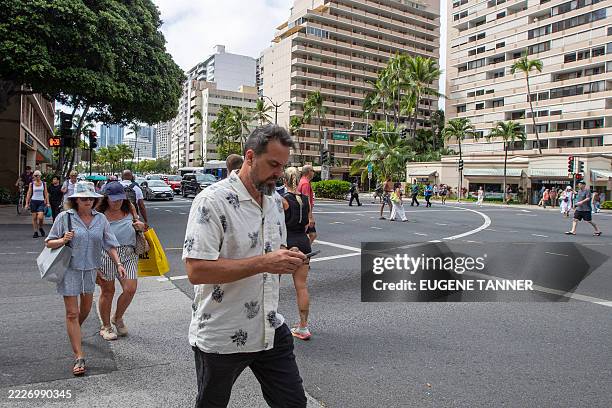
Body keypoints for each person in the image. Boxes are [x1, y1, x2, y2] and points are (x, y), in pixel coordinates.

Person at [183, 125, 308, 407]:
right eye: (273, 164)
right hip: (222, 333)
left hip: (269, 327)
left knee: (293, 403)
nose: (279, 173)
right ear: (250, 157)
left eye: (283, 166)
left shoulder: (275, 201)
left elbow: (268, 251)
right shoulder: (211, 201)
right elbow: (196, 270)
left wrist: (287, 255)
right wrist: (265, 262)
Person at [45, 181, 125, 376]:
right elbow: (48, 242)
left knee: (86, 309)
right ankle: (79, 356)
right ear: (75, 200)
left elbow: (110, 243)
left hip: (90, 270)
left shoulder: (101, 219)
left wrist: (118, 263)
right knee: (72, 313)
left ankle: (74, 331)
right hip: (70, 270)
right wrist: (63, 240)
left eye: (91, 198)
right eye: (83, 198)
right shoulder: (65, 217)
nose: (88, 201)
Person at [96, 182, 146, 341]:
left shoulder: (129, 207)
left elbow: (140, 226)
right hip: (107, 254)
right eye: (113, 199)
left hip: (129, 253)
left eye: (120, 199)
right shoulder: (99, 213)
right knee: (107, 291)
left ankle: (117, 317)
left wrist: (141, 226)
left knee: (130, 288)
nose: (117, 202)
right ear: (106, 198)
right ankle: (106, 326)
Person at [282, 167, 313, 340]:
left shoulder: (283, 200)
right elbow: (310, 225)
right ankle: (303, 327)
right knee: (301, 286)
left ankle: (269, 322)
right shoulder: (306, 200)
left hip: (287, 245)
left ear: (284, 181)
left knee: (272, 285)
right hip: (304, 243)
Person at [25, 170, 49, 238]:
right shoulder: (31, 184)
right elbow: (29, 193)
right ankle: (35, 232)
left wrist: (48, 202)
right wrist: (26, 203)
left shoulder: (44, 184)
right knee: (34, 218)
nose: (36, 177)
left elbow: (46, 193)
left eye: (38, 175)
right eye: (35, 175)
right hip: (33, 201)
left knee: (40, 217)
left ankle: (40, 227)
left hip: (41, 202)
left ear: (40, 176)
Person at [297, 164, 316, 243]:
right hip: (305, 214)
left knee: (311, 234)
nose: (314, 173)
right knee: (312, 235)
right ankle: (304, 252)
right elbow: (306, 201)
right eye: (313, 171)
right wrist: (310, 217)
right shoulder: (305, 183)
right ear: (309, 172)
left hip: (302, 213)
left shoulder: (302, 181)